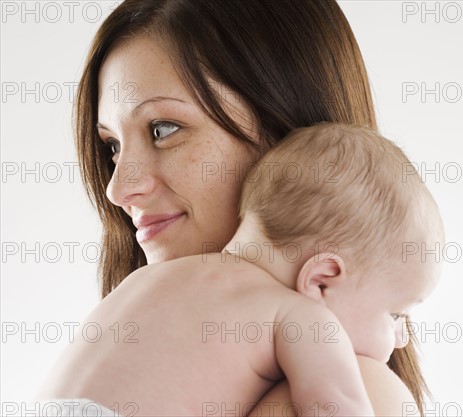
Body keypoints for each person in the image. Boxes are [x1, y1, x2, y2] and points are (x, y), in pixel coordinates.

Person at [52, 0, 435, 415]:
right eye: (113, 146)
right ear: (321, 281)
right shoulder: (332, 356)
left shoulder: (137, 301)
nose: (117, 189)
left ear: (283, 125)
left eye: (163, 129)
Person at [34, 123, 443, 416]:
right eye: (395, 314)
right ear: (321, 281)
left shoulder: (152, 278)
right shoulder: (299, 316)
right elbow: (337, 408)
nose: (401, 338)